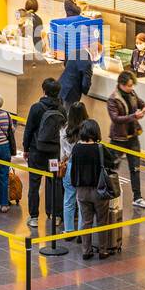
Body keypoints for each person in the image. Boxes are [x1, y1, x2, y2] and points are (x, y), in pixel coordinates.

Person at [70, 119, 118, 261]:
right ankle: (102, 250)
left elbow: (73, 170)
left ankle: (86, 250)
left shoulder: (76, 149)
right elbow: (112, 163)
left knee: (86, 221)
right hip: (99, 190)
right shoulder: (100, 148)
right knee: (102, 221)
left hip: (82, 191)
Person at [22, 77, 66, 228]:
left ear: (44, 91)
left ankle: (34, 217)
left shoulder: (36, 107)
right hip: (54, 153)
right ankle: (55, 214)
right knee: (55, 182)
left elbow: (28, 130)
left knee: (34, 183)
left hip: (36, 151)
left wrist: (26, 149)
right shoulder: (61, 109)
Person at [106, 71, 145, 208]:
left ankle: (137, 197)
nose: (132, 88)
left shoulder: (132, 94)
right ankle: (107, 193)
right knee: (111, 167)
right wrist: (134, 116)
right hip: (118, 138)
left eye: (132, 85)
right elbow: (115, 119)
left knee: (135, 168)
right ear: (121, 84)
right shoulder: (113, 99)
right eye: (129, 86)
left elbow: (140, 102)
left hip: (133, 136)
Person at [59, 101, 90, 238]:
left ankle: (69, 230)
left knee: (68, 199)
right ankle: (81, 232)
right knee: (82, 200)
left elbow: (63, 154)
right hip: (84, 167)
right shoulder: (89, 129)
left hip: (70, 166)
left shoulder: (65, 129)